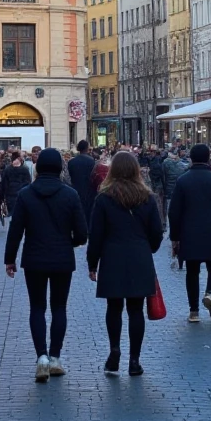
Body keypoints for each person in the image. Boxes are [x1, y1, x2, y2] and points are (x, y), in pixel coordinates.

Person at [4, 147, 88, 382]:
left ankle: (41, 356)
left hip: (34, 258)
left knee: (37, 307)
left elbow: (16, 230)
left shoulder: (26, 194)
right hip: (62, 258)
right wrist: (68, 242)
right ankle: (55, 358)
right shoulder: (70, 195)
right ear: (60, 167)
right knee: (59, 307)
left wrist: (10, 258)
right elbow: (82, 233)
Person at [86, 151, 164, 376]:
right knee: (136, 310)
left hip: (112, 257)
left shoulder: (104, 197)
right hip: (139, 257)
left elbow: (96, 234)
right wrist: (147, 249)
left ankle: (114, 351)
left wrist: (93, 264)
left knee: (114, 307)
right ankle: (135, 359)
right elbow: (157, 233)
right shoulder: (147, 197)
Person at [167, 142, 211, 322]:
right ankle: (210, 293)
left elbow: (174, 212)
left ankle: (193, 311)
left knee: (192, 271)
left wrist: (175, 237)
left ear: (191, 158)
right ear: (208, 158)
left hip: (189, 233)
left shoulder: (183, 180)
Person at [68, 139, 98, 225]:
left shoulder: (71, 162)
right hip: (89, 190)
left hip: (76, 189)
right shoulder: (91, 161)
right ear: (87, 148)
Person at [1, 151, 31, 219]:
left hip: (10, 194)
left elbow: (4, 184)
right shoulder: (25, 169)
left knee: (12, 213)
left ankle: (12, 227)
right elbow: (28, 182)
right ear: (19, 158)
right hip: (21, 194)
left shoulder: (7, 169)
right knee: (21, 213)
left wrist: (2, 196)